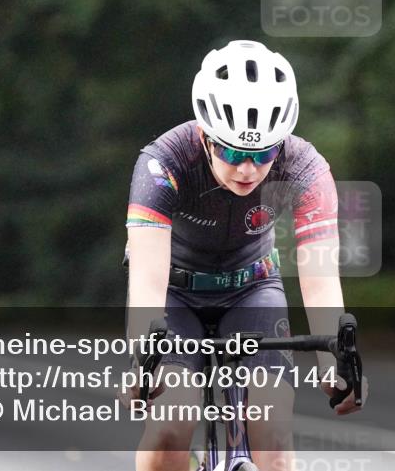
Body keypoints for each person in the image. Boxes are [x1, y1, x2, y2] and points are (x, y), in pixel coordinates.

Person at [123, 40, 367, 471]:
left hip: (252, 289)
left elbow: (321, 277)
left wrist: (336, 360)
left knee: (272, 441)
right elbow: (145, 278)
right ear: (205, 136)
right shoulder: (164, 163)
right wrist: (143, 358)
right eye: (233, 152)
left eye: (262, 154)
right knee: (169, 429)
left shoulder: (305, 168)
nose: (247, 170)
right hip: (175, 295)